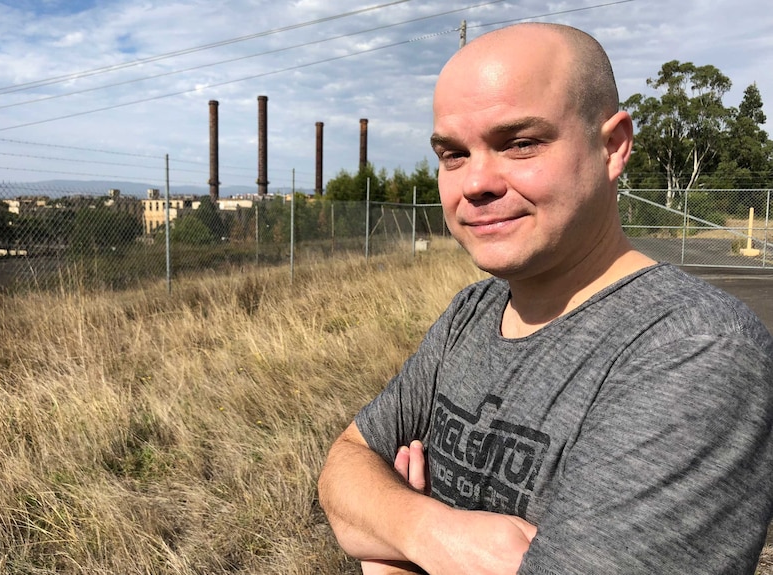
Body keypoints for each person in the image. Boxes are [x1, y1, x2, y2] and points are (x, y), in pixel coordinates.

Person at [318, 22, 773, 575]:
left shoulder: (697, 350)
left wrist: (387, 552)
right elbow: (344, 464)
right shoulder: (472, 312)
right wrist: (428, 532)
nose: (476, 182)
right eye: (454, 154)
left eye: (520, 143)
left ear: (613, 146)